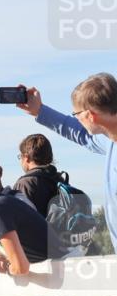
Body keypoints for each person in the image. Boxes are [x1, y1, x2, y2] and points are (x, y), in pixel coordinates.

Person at [16, 74, 117, 249]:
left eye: (77, 114)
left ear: (91, 116)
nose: (77, 119)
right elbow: (81, 134)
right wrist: (39, 110)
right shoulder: (109, 140)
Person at [13, 134, 64, 217]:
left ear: (26, 157)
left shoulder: (25, 183)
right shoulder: (59, 179)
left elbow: (22, 219)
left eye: (20, 157)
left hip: (40, 229)